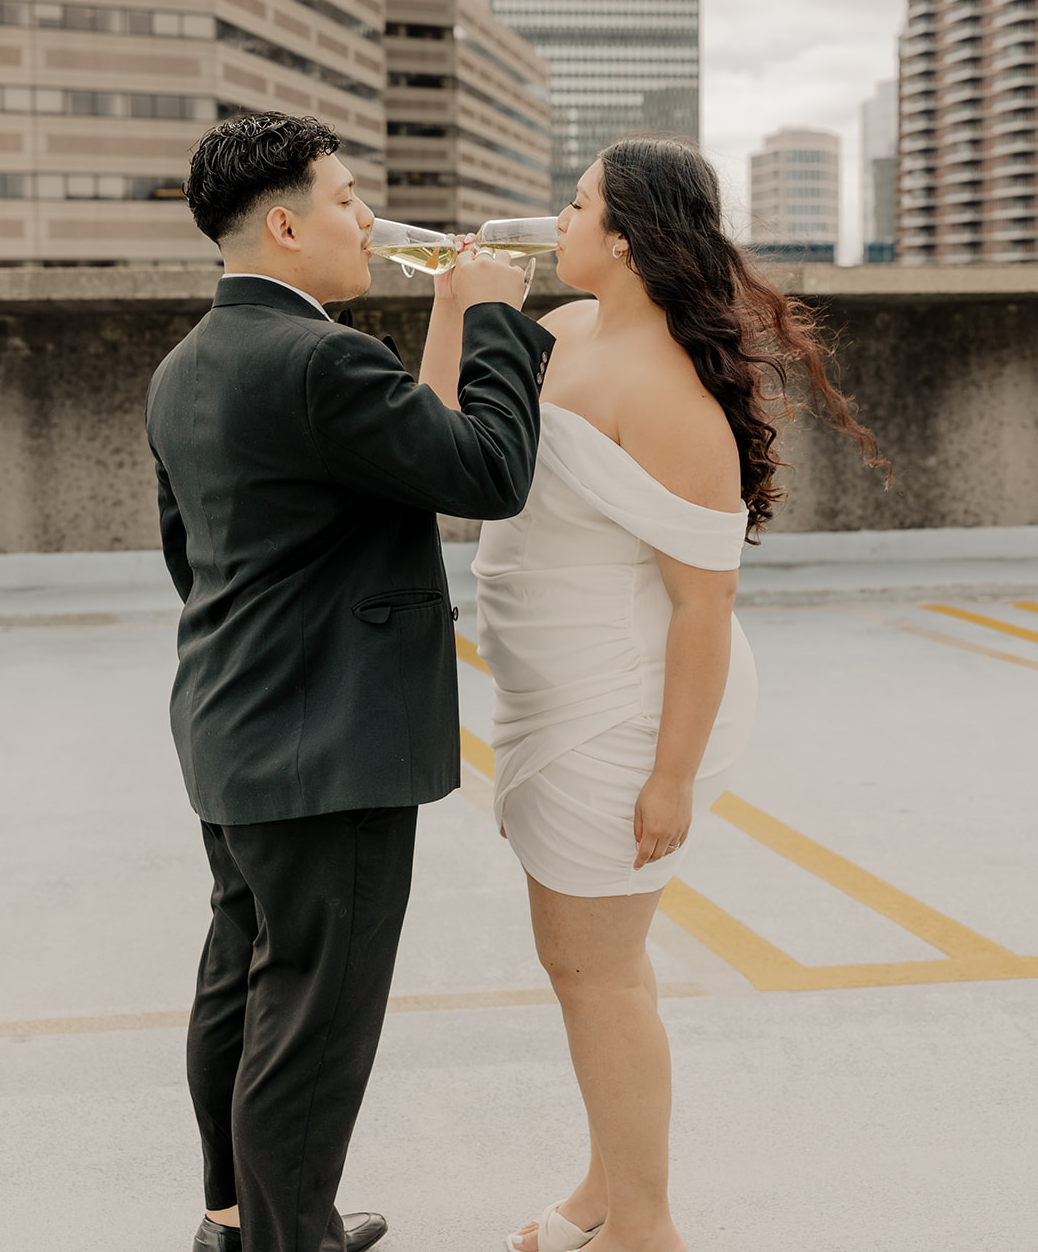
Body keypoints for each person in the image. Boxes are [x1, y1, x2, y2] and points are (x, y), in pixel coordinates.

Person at [420, 137, 882, 1252]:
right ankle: (604, 1183)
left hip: (627, 716)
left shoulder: (668, 393)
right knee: (578, 963)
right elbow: (433, 443)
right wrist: (453, 306)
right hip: (554, 699)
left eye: (573, 204)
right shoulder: (566, 333)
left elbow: (702, 608)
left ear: (621, 236)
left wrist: (668, 778)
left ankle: (646, 1226)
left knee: (599, 968)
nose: (555, 219)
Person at [144, 111, 555, 1252]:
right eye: (344, 201)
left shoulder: (188, 365)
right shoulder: (321, 357)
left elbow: (197, 555)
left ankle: (237, 1215)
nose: (366, 221)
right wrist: (491, 322)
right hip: (332, 738)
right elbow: (484, 470)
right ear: (283, 223)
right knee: (315, 1012)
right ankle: (293, 1239)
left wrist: (440, 316)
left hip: (230, 720)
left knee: (243, 972)